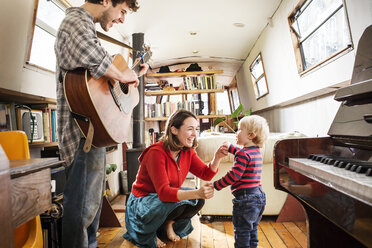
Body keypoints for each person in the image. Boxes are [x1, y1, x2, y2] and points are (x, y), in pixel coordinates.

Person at [54, 0, 148, 247]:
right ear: (106, 0)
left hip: (91, 131)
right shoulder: (75, 21)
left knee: (91, 213)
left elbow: (104, 76)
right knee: (82, 215)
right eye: (122, 11)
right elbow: (90, 54)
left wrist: (132, 74)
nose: (122, 19)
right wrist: (122, 74)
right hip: (82, 134)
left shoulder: (86, 28)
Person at [124, 110, 228, 247]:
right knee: (180, 199)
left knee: (197, 201)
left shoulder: (187, 151)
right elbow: (164, 192)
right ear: (174, 129)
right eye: (190, 129)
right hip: (143, 200)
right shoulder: (156, 152)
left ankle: (168, 223)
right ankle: (150, 233)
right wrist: (197, 192)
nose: (194, 134)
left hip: (162, 199)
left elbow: (205, 174)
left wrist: (217, 157)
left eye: (196, 129)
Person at [213, 115, 269, 248]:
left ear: (250, 135)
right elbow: (242, 153)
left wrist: (216, 185)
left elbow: (234, 176)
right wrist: (232, 148)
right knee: (252, 229)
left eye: (239, 129)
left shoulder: (243, 155)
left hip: (245, 199)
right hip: (259, 197)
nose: (236, 132)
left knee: (242, 232)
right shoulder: (256, 152)